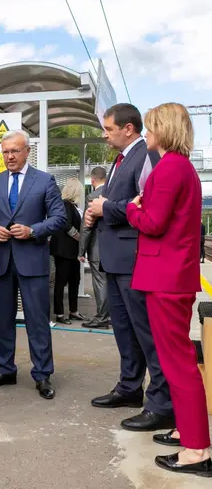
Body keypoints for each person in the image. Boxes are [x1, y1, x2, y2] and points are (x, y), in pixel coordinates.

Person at [125, 102, 211, 477]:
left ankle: (197, 450)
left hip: (165, 278)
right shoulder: (183, 167)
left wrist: (133, 208)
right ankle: (188, 431)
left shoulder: (169, 167)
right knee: (177, 360)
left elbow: (154, 222)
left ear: (164, 129)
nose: (146, 135)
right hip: (173, 276)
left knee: (177, 364)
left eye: (149, 128)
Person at [84, 103, 173, 431]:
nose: (105, 136)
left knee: (145, 331)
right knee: (124, 328)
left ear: (128, 129)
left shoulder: (146, 156)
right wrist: (99, 209)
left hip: (135, 259)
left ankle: (160, 402)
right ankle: (129, 387)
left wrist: (105, 207)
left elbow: (146, 205)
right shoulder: (122, 159)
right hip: (117, 259)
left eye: (108, 129)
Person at [0, 130, 66, 400]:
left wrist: (33, 230)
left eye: (14, 151)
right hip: (2, 261)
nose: (9, 156)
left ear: (27, 151)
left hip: (33, 261)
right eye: (5, 152)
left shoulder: (45, 181)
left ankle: (43, 374)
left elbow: (60, 218)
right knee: (3, 320)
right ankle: (5, 369)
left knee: (37, 320)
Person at [50, 177, 86, 325]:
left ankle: (73, 310)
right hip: (64, 251)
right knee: (61, 281)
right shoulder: (66, 205)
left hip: (70, 251)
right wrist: (80, 238)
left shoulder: (70, 205)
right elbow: (66, 225)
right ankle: (59, 313)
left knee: (74, 280)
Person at [80, 167, 111, 329]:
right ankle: (110, 315)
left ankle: (102, 318)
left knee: (100, 283)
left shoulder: (92, 196)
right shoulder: (113, 192)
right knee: (111, 282)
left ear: (92, 180)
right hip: (113, 247)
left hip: (97, 247)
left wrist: (81, 250)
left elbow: (86, 226)